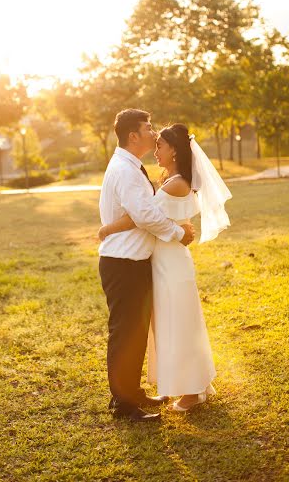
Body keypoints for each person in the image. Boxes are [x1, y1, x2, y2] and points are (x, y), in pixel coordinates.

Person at [99, 122, 232, 413]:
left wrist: (108, 228)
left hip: (171, 265)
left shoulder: (176, 183)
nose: (156, 149)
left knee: (180, 326)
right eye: (155, 142)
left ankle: (193, 390)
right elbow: (148, 215)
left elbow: (142, 217)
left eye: (160, 145)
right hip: (162, 263)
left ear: (174, 150)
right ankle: (186, 385)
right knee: (171, 326)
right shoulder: (170, 179)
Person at [98, 110, 195, 422]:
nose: (154, 133)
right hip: (123, 263)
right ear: (133, 136)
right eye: (148, 128)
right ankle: (124, 405)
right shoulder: (125, 170)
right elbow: (145, 215)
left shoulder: (128, 165)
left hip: (132, 261)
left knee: (135, 333)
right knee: (125, 333)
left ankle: (132, 393)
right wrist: (178, 232)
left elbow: (142, 212)